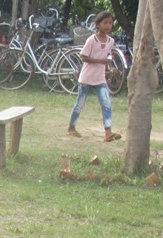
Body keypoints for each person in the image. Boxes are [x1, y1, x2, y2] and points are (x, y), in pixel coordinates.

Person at [68, 11, 121, 141]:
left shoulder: (110, 41)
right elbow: (83, 56)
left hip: (100, 78)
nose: (108, 26)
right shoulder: (92, 39)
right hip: (86, 77)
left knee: (106, 104)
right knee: (80, 104)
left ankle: (108, 132)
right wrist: (100, 61)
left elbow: (108, 54)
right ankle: (71, 127)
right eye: (105, 23)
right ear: (98, 24)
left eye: (110, 23)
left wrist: (108, 64)